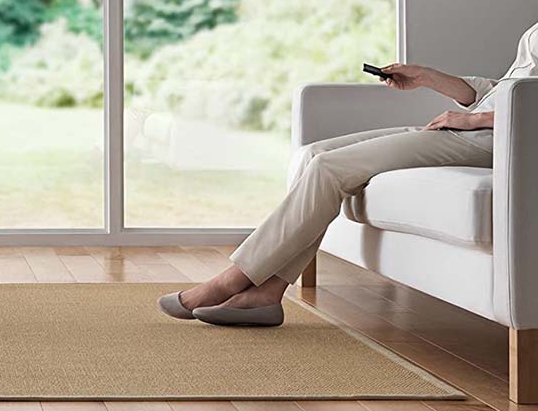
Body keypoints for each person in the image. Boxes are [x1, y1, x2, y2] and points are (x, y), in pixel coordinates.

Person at [159, 21, 538, 327]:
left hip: (499, 140)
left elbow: (526, 106)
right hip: (475, 127)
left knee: (329, 168)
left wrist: (478, 121)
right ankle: (267, 293)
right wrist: (424, 76)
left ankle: (233, 280)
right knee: (317, 155)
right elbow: (506, 89)